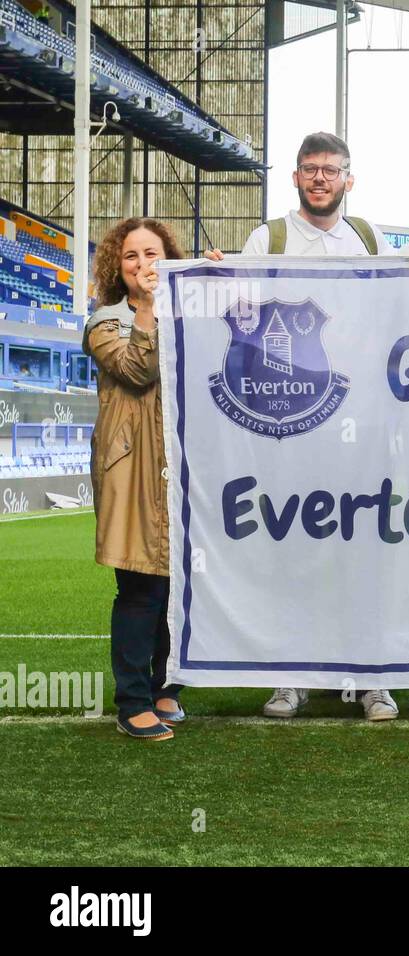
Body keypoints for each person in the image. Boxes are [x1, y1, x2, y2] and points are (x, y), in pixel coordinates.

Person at [208, 131, 401, 721]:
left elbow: (391, 313)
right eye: (310, 169)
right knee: (288, 547)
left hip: (355, 422)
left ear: (350, 178)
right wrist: (211, 275)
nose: (320, 178)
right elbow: (238, 314)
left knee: (360, 549)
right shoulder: (268, 236)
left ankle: (367, 677)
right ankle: (289, 674)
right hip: (288, 418)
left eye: (331, 169)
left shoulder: (368, 240)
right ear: (295, 178)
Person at [85, 218, 186, 740]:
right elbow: (136, 372)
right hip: (132, 469)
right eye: (132, 257)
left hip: (183, 464)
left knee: (178, 587)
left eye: (153, 254)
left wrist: (218, 281)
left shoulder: (193, 308)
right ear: (117, 267)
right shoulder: (105, 320)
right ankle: (132, 699)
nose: (144, 265)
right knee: (140, 586)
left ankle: (168, 687)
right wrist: (148, 307)